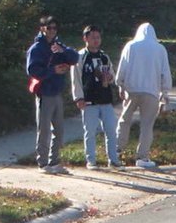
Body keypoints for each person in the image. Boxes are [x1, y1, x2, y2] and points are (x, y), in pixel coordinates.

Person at [26, 15, 79, 173]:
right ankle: (43, 163)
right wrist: (53, 71)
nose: (52, 31)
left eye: (55, 28)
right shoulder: (36, 48)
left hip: (57, 92)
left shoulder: (58, 45)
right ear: (42, 29)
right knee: (44, 129)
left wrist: (63, 51)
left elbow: (75, 57)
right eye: (49, 28)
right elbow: (32, 70)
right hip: (44, 92)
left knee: (59, 130)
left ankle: (54, 161)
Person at [115, 22, 172, 170]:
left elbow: (123, 67)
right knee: (147, 125)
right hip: (151, 92)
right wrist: (164, 93)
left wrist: (120, 84)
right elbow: (165, 73)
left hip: (131, 90)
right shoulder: (160, 49)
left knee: (124, 121)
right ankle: (142, 156)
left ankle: (116, 151)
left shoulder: (131, 46)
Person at [71, 24, 121, 169]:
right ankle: (91, 160)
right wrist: (78, 98)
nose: (96, 40)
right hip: (88, 100)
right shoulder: (80, 57)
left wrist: (109, 77)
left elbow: (111, 75)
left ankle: (113, 159)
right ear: (85, 38)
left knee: (111, 130)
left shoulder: (104, 56)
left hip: (105, 99)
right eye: (92, 37)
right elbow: (76, 79)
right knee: (90, 132)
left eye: (98, 37)